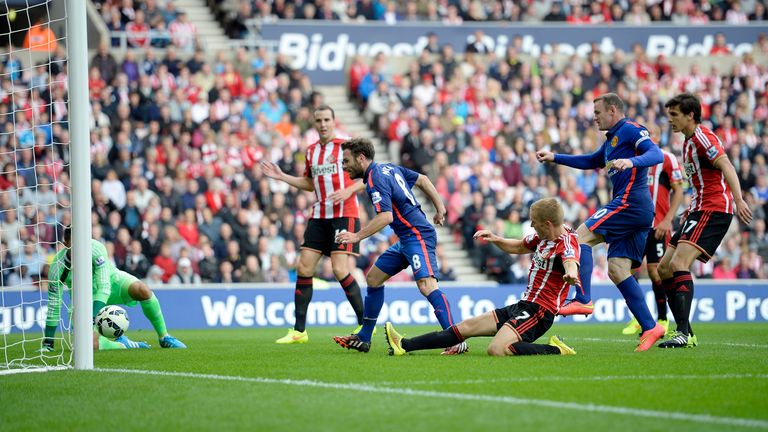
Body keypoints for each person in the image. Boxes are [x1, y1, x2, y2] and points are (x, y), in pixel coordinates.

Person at [536, 92, 666, 351]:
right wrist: (555, 157)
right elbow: (591, 161)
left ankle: (583, 298)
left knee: (578, 238)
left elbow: (656, 154)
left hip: (630, 204)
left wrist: (631, 161)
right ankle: (651, 326)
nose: (594, 117)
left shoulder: (630, 129)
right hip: (638, 213)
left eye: (597, 113)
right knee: (617, 270)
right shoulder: (611, 141)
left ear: (613, 110)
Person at [384, 198, 579, 357]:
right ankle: (403, 345)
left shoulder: (567, 243)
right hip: (523, 306)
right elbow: (520, 246)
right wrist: (496, 238)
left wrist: (570, 273)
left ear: (547, 224)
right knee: (465, 327)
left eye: (534, 222)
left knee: (497, 349)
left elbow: (571, 262)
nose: (531, 225)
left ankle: (557, 350)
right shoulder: (543, 237)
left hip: (540, 312)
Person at [332, 138, 466, 355]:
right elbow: (422, 179)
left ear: (361, 158)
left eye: (346, 161)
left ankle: (456, 339)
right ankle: (364, 338)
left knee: (426, 285)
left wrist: (356, 236)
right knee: (374, 278)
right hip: (406, 238)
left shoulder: (375, 178)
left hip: (417, 234)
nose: (343, 165)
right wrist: (439, 208)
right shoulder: (388, 168)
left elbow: (386, 216)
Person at [262, 105, 365, 344]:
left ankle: (364, 322)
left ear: (334, 121)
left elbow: (367, 177)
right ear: (314, 123)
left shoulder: (346, 147)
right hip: (319, 215)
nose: (323, 124)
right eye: (318, 120)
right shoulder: (310, 151)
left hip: (344, 214)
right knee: (303, 268)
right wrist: (282, 177)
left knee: (340, 269)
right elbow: (310, 183)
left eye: (327, 119)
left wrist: (348, 190)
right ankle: (299, 331)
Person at [656, 93, 752, 348]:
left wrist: (739, 199)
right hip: (699, 208)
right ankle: (686, 330)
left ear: (690, 115)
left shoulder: (702, 137)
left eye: (674, 115)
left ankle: (683, 333)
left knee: (679, 263)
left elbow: (727, 166)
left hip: (715, 207)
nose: (670, 120)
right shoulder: (687, 143)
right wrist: (690, 208)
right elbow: (701, 179)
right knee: (663, 268)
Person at [42, 227, 186, 352]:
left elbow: (104, 286)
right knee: (86, 346)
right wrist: (48, 342)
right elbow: (55, 304)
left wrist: (91, 319)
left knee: (143, 290)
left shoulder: (96, 248)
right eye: (76, 242)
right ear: (66, 244)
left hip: (113, 284)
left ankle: (164, 337)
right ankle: (125, 344)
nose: (82, 245)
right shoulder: (57, 268)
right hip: (83, 303)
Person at [622, 125, 684, 336]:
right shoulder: (632, 160)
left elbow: (679, 190)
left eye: (651, 135)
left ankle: (663, 318)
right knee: (628, 270)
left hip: (658, 226)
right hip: (635, 226)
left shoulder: (666, 159)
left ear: (657, 137)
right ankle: (639, 319)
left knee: (656, 271)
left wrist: (668, 220)